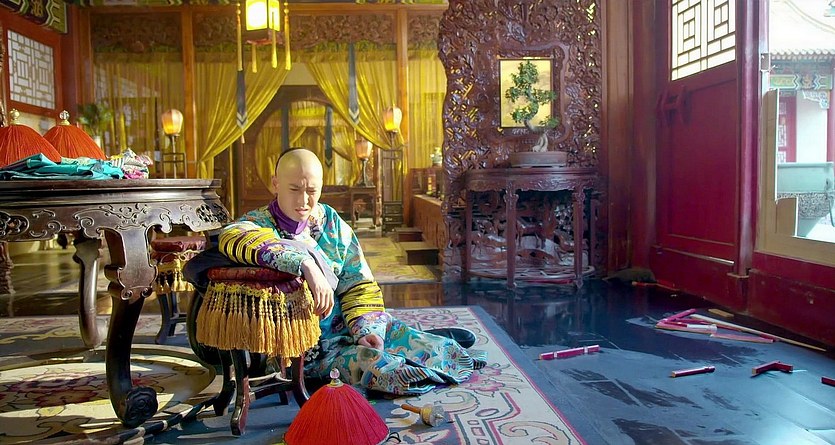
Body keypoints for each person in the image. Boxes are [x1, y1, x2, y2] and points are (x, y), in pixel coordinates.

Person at [185, 147, 485, 395]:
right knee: (381, 368)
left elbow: (358, 284)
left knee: (420, 345)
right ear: (275, 184)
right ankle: (399, 356)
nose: (304, 201)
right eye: (294, 189)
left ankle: (415, 342)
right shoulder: (257, 224)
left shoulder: (330, 222)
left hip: (348, 327)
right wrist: (305, 264)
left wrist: (365, 330)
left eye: (312, 191)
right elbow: (233, 236)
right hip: (307, 349)